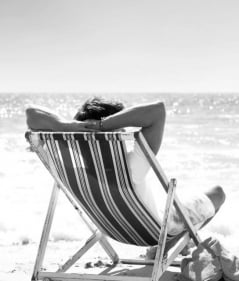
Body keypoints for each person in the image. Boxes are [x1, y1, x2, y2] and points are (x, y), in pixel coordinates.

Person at [26, 97, 226, 238]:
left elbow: (31, 114)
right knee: (218, 193)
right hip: (155, 232)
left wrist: (65, 126)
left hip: (111, 229)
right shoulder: (131, 167)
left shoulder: (75, 164)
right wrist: (104, 126)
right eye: (121, 127)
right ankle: (166, 249)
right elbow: (158, 111)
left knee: (177, 201)